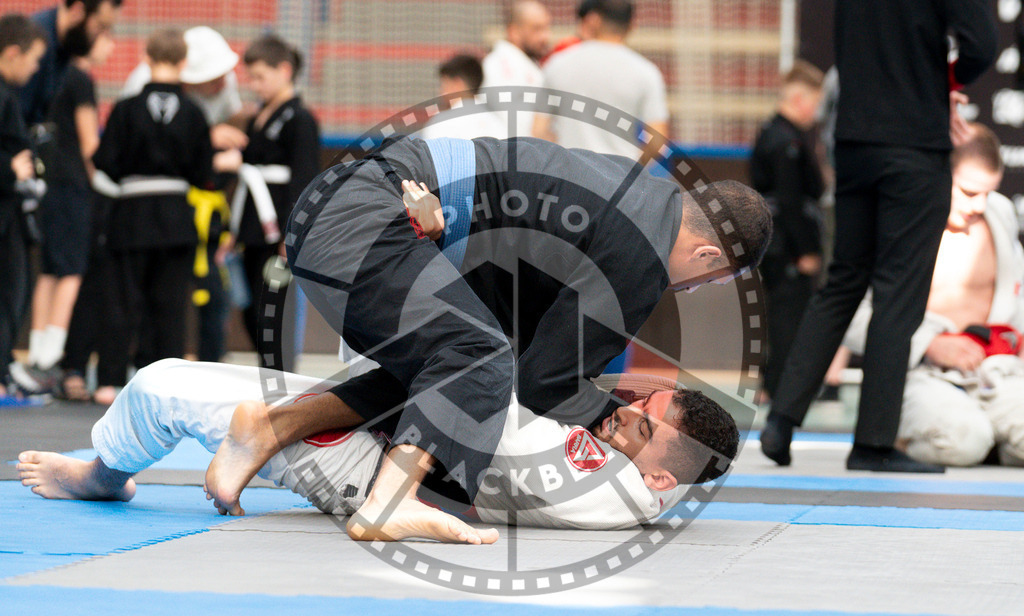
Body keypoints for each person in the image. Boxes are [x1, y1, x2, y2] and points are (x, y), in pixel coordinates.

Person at [203, 134, 772, 543]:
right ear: (708, 256)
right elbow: (544, 384)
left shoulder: (633, 189)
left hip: (358, 204)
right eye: (710, 281)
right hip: (367, 213)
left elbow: (536, 357)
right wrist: (617, 415)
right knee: (478, 354)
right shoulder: (643, 254)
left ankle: (270, 427)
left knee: (474, 352)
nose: (693, 290)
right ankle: (390, 503)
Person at [17, 358, 739, 537]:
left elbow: (494, 414)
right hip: (402, 431)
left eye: (641, 425)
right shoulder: (629, 478)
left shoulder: (612, 485)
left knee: (160, 385)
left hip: (375, 461)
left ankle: (100, 476)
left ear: (665, 477)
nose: (621, 417)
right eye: (636, 405)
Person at [759, 0, 998, 473]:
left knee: (843, 281)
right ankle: (872, 444)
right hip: (913, 142)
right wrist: (944, 84)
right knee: (898, 294)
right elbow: (982, 45)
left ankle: (781, 420)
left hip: (854, 142)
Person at [841, 125, 1024, 467]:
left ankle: (991, 439)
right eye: (969, 192)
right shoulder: (898, 221)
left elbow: (1019, 291)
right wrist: (929, 344)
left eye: (989, 192)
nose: (979, 205)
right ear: (940, 175)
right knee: (963, 442)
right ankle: (965, 439)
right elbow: (849, 313)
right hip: (920, 372)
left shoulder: (1000, 213)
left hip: (994, 368)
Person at [91, 29, 236, 392]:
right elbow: (203, 173)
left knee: (122, 300)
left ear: (146, 58)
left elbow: (104, 159)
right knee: (169, 306)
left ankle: (109, 382)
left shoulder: (125, 109)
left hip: (130, 216)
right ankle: (164, 387)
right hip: (176, 218)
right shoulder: (194, 112)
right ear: (184, 63)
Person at [122, 26, 248, 366]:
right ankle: (138, 364)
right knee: (147, 294)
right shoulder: (139, 86)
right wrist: (208, 140)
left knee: (203, 297)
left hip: (203, 208)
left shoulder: (225, 84)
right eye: (212, 80)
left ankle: (203, 367)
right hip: (152, 212)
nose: (222, 85)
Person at [215, 34, 320, 373]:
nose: (254, 85)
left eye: (261, 77)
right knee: (251, 310)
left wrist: (292, 233)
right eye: (252, 78)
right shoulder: (260, 116)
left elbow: (303, 181)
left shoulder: (300, 118)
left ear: (285, 70)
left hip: (277, 231)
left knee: (275, 311)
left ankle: (283, 383)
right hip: (252, 228)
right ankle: (268, 375)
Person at [22, 33, 113, 392]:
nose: (110, 46)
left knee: (48, 270)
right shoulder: (80, 78)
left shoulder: (52, 75)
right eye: (104, 36)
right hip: (74, 185)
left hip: (48, 185)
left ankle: (37, 357)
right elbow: (90, 143)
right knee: (71, 273)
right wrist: (105, 185)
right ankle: (52, 360)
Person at [750, 60, 826, 402]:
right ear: (801, 99)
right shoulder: (785, 142)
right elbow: (790, 200)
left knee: (782, 315)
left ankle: (773, 384)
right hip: (786, 245)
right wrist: (805, 249)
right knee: (788, 319)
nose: (818, 111)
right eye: (816, 102)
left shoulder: (775, 133)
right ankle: (780, 388)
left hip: (778, 242)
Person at [532, 0, 669, 161]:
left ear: (594, 20)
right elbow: (658, 142)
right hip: (618, 177)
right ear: (632, 25)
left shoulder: (557, 63)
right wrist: (633, 169)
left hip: (569, 176)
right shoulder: (646, 72)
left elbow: (539, 131)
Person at [0, 15, 47, 400]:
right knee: (7, 293)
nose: (34, 69)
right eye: (32, 59)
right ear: (12, 53)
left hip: (9, 209)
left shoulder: (7, 94)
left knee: (13, 292)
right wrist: (9, 167)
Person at [17, 0, 120, 128]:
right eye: (99, 26)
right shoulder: (37, 43)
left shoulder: (65, 48)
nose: (99, 36)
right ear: (77, 11)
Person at [480, 0, 551, 137]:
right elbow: (512, 127)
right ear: (514, 31)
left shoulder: (524, 64)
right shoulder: (500, 65)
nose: (545, 37)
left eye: (546, 28)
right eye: (537, 29)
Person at [421, 54, 504, 141]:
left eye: (444, 84)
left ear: (457, 84)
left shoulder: (440, 124)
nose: (441, 92)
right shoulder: (497, 123)